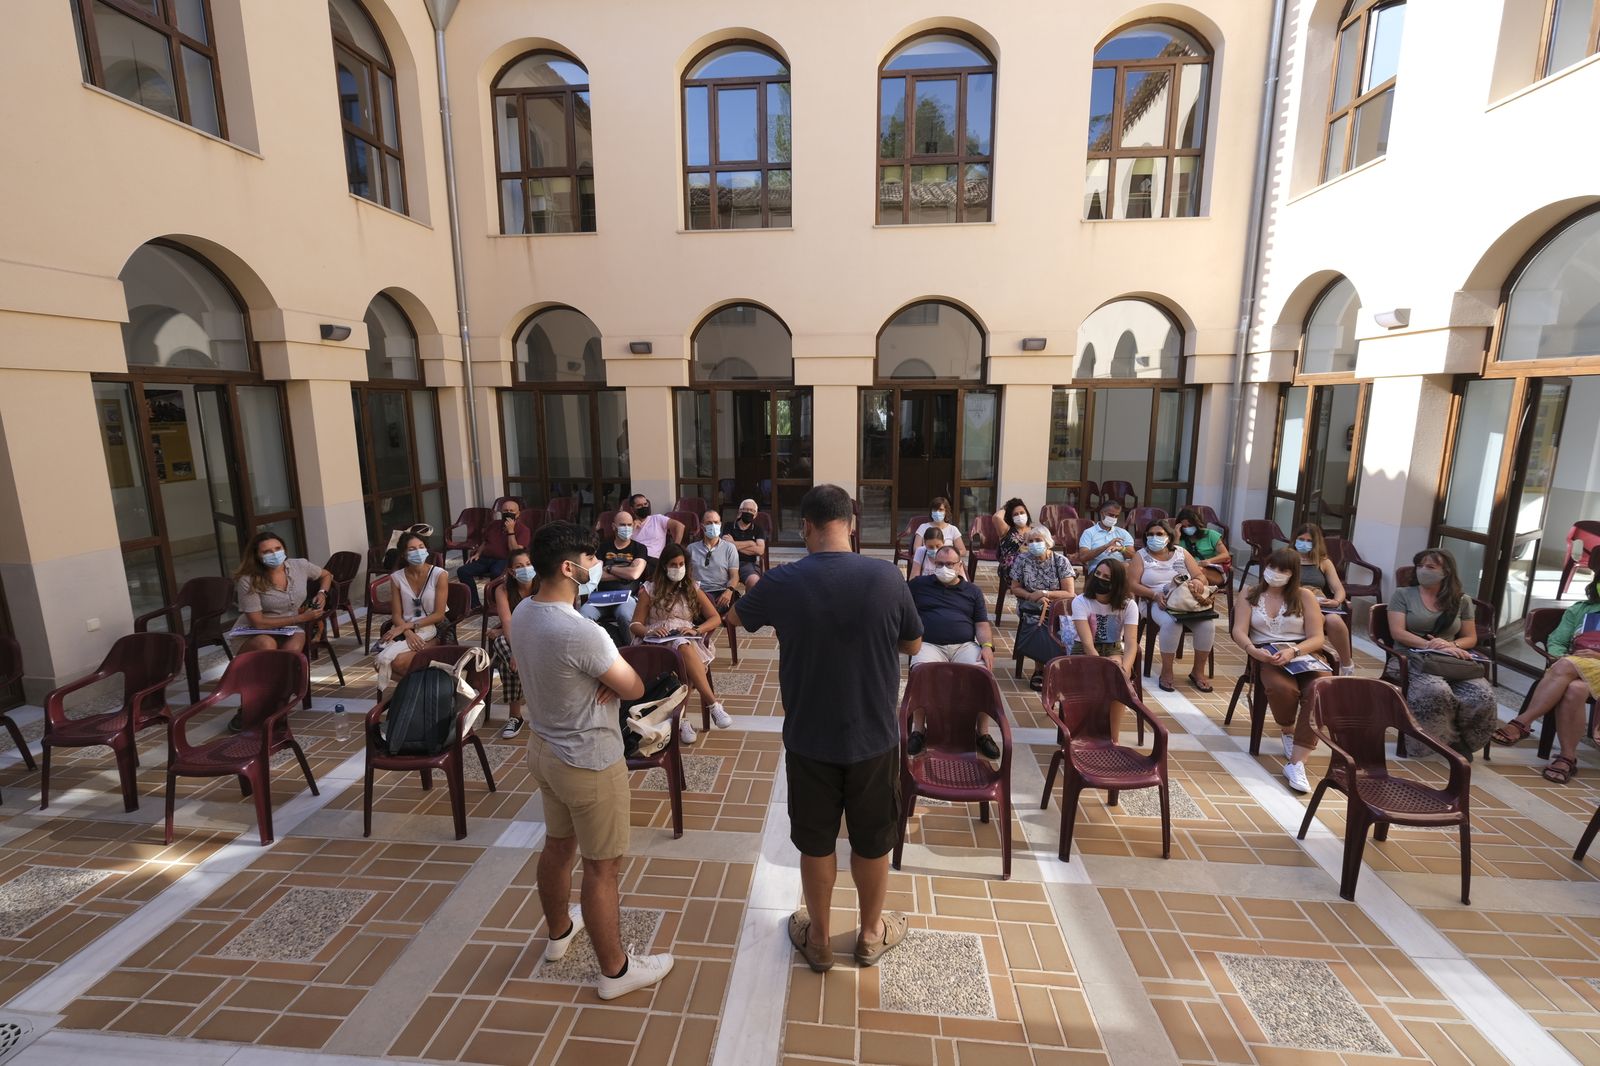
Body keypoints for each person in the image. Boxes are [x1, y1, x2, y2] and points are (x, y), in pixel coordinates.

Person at [727, 484, 922, 975]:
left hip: (810, 739)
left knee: (815, 842)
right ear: (852, 525)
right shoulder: (886, 577)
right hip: (874, 737)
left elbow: (735, 617)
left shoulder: (782, 582)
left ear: (805, 527)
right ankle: (870, 933)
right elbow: (915, 645)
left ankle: (817, 939)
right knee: (872, 839)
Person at [511, 521, 673, 1001]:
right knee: (602, 869)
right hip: (588, 761)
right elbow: (635, 687)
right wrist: (609, 673)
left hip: (544, 751)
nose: (596, 565)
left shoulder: (524, 610)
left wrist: (600, 674)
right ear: (569, 567)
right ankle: (616, 972)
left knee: (558, 846)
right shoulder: (580, 632)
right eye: (590, 559)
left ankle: (559, 933)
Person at [1230, 547, 1328, 793]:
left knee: (1319, 690)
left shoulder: (1304, 596)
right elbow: (1238, 629)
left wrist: (1294, 651)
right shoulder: (1250, 593)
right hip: (1265, 652)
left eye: (1282, 570)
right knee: (1281, 688)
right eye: (1271, 567)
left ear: (1292, 574)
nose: (1274, 573)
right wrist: (1253, 650)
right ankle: (1288, 728)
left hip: (1301, 653)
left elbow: (1317, 638)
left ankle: (1297, 763)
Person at [1384, 548, 1497, 760]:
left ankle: (1465, 739)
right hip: (1411, 657)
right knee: (1436, 691)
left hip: (1449, 659)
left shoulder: (1461, 601)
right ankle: (1438, 741)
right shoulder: (1403, 595)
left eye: (1430, 567)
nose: (1422, 571)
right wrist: (1433, 646)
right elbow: (1398, 632)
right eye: (1420, 566)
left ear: (1446, 572)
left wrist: (1450, 645)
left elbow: (1470, 638)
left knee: (1482, 694)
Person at [1491, 574, 1600, 782]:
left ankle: (1522, 722)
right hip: (1576, 667)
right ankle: (1568, 758)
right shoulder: (1580, 610)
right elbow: (1557, 641)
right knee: (1574, 688)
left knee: (1566, 666)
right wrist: (1564, 658)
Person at [231, 532, 333, 732]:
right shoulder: (248, 579)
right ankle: (253, 705)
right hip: (255, 630)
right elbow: (258, 622)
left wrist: (322, 593)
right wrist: (301, 618)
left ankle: (276, 703)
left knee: (292, 647)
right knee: (266, 644)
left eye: (277, 549)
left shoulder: (299, 565)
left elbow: (327, 575)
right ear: (257, 556)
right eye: (267, 551)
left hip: (290, 627)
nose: (274, 554)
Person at [630, 542, 731, 743]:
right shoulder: (649, 590)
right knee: (683, 653)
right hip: (656, 643)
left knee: (683, 647)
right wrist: (650, 630)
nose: (678, 569)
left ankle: (683, 718)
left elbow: (715, 618)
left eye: (681, 564)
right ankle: (710, 706)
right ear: (665, 567)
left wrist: (697, 629)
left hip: (687, 640)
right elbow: (635, 624)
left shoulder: (692, 588)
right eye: (673, 565)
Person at [906, 544, 997, 757]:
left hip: (964, 645)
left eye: (949, 564)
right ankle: (918, 730)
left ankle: (982, 733)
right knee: (920, 673)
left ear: (959, 566)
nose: (944, 568)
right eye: (939, 564)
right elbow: (899, 602)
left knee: (983, 675)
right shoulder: (919, 586)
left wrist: (987, 646)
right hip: (929, 644)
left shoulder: (972, 591)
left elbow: (981, 624)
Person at [1128, 517, 1216, 693]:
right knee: (1171, 623)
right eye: (1150, 534)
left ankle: (1197, 672)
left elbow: (1200, 575)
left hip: (1185, 601)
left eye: (1159, 534)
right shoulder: (1141, 556)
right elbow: (1132, 584)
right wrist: (1153, 594)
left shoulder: (1181, 553)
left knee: (1207, 625)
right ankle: (1167, 672)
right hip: (1155, 601)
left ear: (1168, 536)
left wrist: (1198, 582)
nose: (1154, 537)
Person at [1065, 558, 1141, 743]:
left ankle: (1113, 738)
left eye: (1107, 577)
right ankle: (1080, 735)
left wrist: (1126, 668)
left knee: (1118, 679)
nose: (1100, 579)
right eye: (1098, 574)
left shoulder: (1128, 605)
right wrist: (1100, 667)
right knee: (1096, 676)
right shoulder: (1081, 601)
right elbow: (1087, 643)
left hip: (1113, 646)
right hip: (1084, 648)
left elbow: (1131, 642)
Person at [373, 530, 450, 691]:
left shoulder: (439, 574)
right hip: (406, 629)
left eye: (421, 547)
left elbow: (439, 614)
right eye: (412, 549)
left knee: (398, 662)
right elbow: (396, 615)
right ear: (403, 554)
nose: (418, 551)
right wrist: (408, 632)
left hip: (435, 628)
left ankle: (415, 692)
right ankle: (422, 691)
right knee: (379, 663)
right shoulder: (397, 578)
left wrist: (405, 627)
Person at [1010, 526, 1076, 691]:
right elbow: (1015, 588)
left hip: (1058, 605)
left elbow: (1070, 593)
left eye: (1038, 540)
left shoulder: (1060, 561)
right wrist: (1031, 596)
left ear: (1047, 542)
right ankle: (1040, 669)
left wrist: (1045, 593)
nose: (1034, 544)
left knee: (1063, 624)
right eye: (1030, 541)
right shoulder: (1022, 559)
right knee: (1038, 622)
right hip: (1031, 605)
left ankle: (1057, 665)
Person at [1292, 524, 1353, 674]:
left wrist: (1336, 601)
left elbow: (1339, 589)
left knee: (1335, 621)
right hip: (1293, 601)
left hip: (1319, 602)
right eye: (1301, 539)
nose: (1304, 543)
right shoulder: (1288, 557)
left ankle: (1347, 665)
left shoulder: (1323, 562)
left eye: (1309, 540)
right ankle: (1312, 657)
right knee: (1316, 619)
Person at [491, 548, 537, 738]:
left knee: (502, 652)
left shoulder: (544, 585)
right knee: (503, 644)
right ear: (511, 571)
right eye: (519, 567)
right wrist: (516, 652)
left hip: (539, 634)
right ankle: (521, 711)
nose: (525, 569)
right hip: (516, 635)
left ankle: (515, 715)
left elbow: (545, 619)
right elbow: (508, 622)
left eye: (528, 564)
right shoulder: (503, 590)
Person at [580, 510, 647, 631]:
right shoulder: (602, 547)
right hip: (601, 597)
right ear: (613, 526)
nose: (626, 528)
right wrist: (625, 573)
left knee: (625, 615)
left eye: (629, 524)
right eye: (622, 525)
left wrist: (610, 568)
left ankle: (631, 649)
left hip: (627, 597)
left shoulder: (640, 548)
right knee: (583, 615)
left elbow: (634, 574)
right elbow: (594, 574)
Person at [458, 497, 530, 609]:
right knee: (463, 571)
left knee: (496, 573)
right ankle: (475, 605)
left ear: (518, 514)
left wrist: (511, 531)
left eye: (511, 511)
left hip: (504, 559)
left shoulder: (523, 529)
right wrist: (478, 553)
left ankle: (494, 603)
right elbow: (485, 542)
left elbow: (515, 552)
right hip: (485, 558)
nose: (508, 513)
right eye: (505, 511)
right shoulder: (494, 525)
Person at [689, 509, 742, 612]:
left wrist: (729, 591)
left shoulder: (729, 548)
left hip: (720, 592)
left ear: (720, 524)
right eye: (709, 523)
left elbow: (734, 575)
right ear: (702, 526)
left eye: (716, 522)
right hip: (698, 592)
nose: (713, 525)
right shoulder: (691, 549)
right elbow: (687, 575)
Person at [625, 493, 685, 568]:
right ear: (632, 509)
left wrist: (675, 547)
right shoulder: (629, 526)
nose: (644, 507)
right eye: (639, 505)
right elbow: (622, 546)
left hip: (655, 561)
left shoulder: (657, 519)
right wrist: (631, 529)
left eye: (645, 504)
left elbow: (680, 526)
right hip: (637, 561)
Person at [1175, 508, 1231, 587]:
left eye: (1190, 525)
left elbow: (1225, 555)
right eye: (1184, 526)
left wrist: (1209, 561)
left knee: (1198, 572)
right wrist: (1176, 536)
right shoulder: (1180, 538)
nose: (1187, 528)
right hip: (1187, 572)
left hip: (1211, 572)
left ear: (1197, 524)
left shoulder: (1210, 534)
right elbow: (1173, 556)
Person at [1076, 500, 1136, 572]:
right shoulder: (1089, 533)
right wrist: (1105, 546)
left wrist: (1121, 549)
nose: (1113, 518)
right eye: (1111, 515)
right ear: (1102, 513)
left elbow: (1133, 556)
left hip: (1119, 568)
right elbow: (1083, 557)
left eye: (1116, 516)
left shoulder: (1123, 533)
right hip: (1098, 569)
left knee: (1128, 567)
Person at [727, 499, 766, 589]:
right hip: (727, 563)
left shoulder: (758, 529)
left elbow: (760, 550)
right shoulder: (729, 526)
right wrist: (751, 543)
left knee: (754, 581)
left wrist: (733, 544)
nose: (749, 512)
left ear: (755, 515)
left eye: (752, 511)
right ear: (740, 511)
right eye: (746, 509)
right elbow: (725, 545)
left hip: (748, 564)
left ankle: (747, 602)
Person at [991, 498, 1033, 582]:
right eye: (1015, 514)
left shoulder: (1034, 531)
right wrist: (1007, 507)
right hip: (1011, 569)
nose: (1020, 516)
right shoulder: (1006, 530)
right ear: (1011, 517)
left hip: (1032, 566)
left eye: (1022, 513)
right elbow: (996, 517)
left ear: (1027, 514)